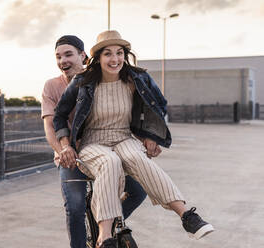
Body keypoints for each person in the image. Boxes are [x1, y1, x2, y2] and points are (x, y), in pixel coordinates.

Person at [53, 30, 214, 248]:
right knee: (109, 162)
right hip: (93, 142)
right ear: (98, 58)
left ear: (125, 55)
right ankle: (104, 236)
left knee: (138, 159)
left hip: (123, 137)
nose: (115, 59)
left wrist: (150, 136)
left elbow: (159, 104)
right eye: (108, 54)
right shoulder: (83, 82)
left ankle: (187, 216)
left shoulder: (136, 78)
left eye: (119, 53)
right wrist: (64, 145)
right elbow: (60, 115)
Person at [41, 35, 150, 248]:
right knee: (74, 207)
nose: (63, 60)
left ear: (83, 56)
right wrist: (64, 150)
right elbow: (50, 126)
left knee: (139, 191)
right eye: (58, 56)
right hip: (71, 158)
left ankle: (108, 224)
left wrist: (146, 139)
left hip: (103, 150)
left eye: (68, 54)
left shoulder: (104, 79)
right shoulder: (52, 86)